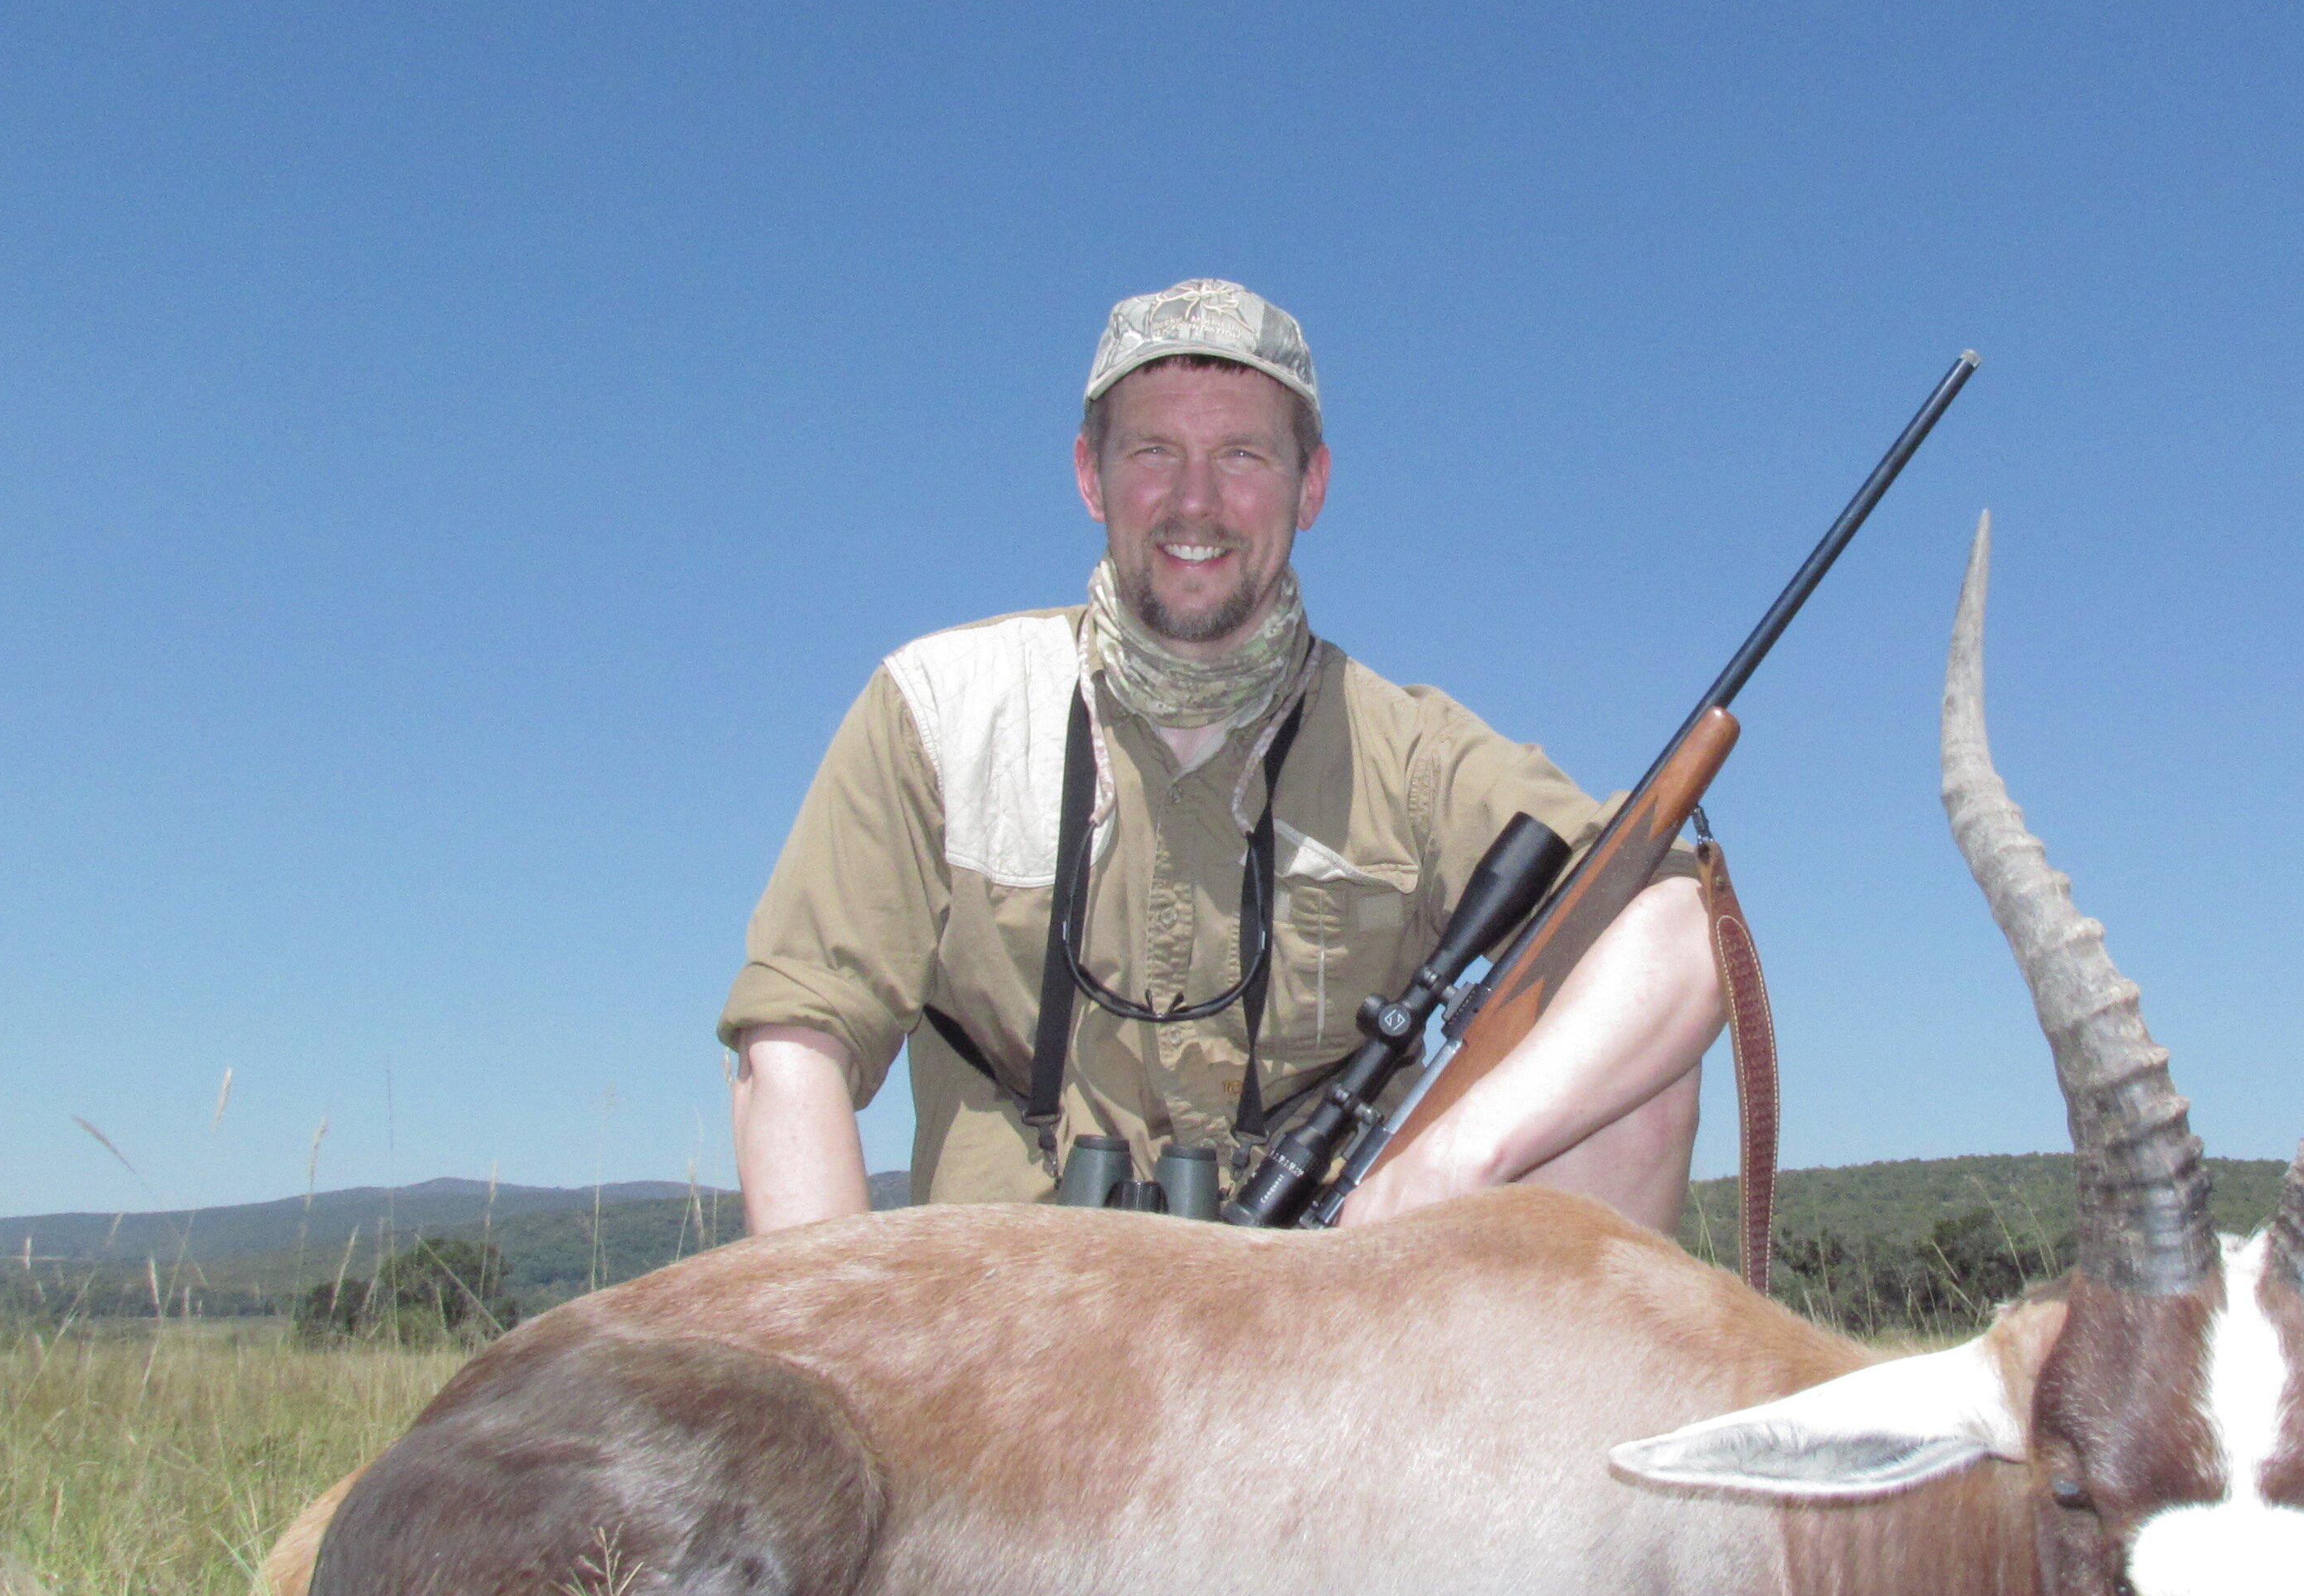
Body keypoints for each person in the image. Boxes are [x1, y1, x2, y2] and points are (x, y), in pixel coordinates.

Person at [721, 278, 1725, 1237]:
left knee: (1632, 1080)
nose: (1194, 502)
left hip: (1315, 1327)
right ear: (1089, 475)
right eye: (1154, 451)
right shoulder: (936, 712)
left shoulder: (1410, 754)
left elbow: (1682, 931)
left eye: (1243, 456)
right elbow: (792, 1044)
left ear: (1312, 486)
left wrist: (1453, 1162)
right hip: (1003, 1329)